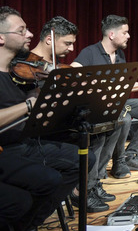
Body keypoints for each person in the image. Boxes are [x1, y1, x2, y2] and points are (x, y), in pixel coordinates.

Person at [0, 7, 81, 231]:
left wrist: (44, 94)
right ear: (1, 37)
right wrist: (28, 104)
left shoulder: (18, 75)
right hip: (6, 149)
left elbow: (35, 111)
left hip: (25, 142)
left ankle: (26, 227)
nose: (30, 34)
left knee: (80, 158)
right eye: (22, 30)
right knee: (49, 178)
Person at [29, 17, 116, 212]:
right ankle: (78, 191)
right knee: (91, 137)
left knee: (106, 126)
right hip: (41, 132)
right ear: (50, 40)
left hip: (60, 124)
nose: (71, 49)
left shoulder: (58, 66)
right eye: (67, 43)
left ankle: (88, 186)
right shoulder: (27, 65)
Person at [71, 15, 138, 177]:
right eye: (125, 32)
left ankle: (130, 154)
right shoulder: (91, 52)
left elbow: (122, 85)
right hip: (99, 105)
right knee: (125, 118)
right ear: (112, 35)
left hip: (119, 101)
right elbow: (72, 72)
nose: (128, 36)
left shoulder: (120, 55)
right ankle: (118, 162)